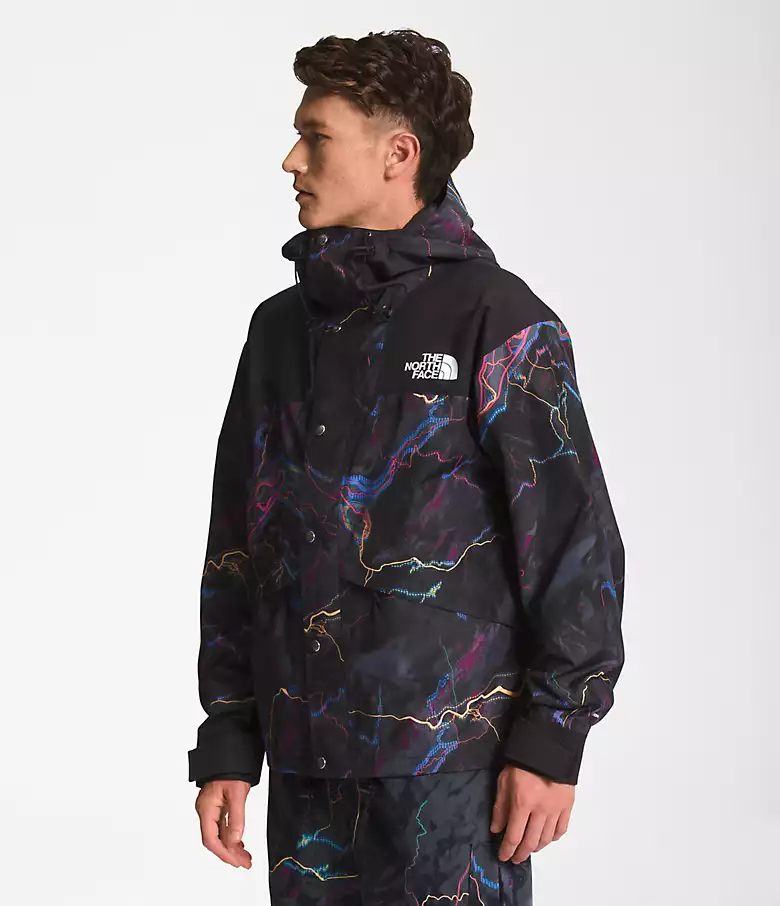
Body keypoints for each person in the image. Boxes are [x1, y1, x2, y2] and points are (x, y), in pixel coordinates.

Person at [187, 28, 625, 905]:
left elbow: (575, 549)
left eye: (315, 137)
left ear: (399, 154)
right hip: (307, 773)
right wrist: (229, 737)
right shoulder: (279, 333)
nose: (290, 161)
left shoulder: (499, 321)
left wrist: (552, 740)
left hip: (450, 780)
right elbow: (238, 544)